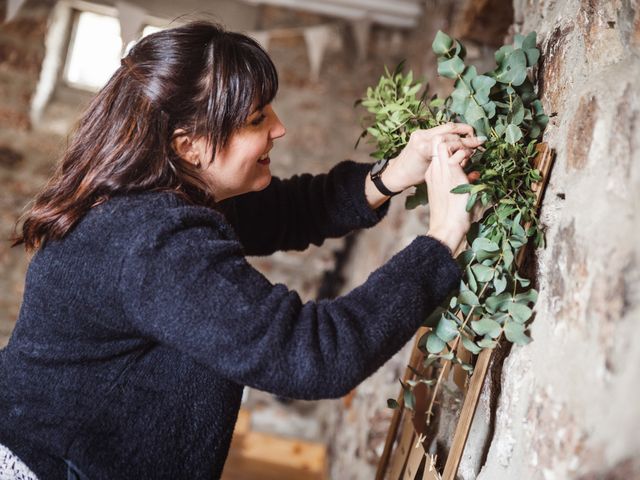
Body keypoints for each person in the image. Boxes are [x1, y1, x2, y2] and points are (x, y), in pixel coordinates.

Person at [0, 21, 483, 479]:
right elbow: (314, 354)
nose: (280, 128)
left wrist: (393, 174)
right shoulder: (151, 242)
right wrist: (441, 239)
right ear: (188, 145)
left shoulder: (154, 195)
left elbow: (285, 211)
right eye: (257, 118)